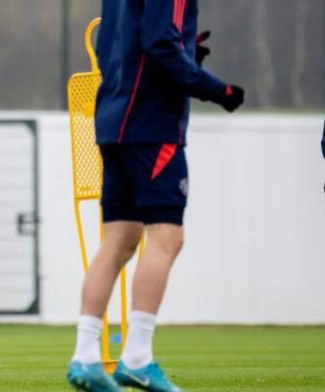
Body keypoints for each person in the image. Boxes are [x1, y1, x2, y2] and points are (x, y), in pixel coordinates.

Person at [67, 1, 244, 391]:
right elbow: (160, 43)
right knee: (167, 237)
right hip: (151, 125)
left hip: (113, 119)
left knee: (118, 241)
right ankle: (137, 358)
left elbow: (132, 39)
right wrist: (217, 89)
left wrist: (185, 50)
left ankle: (84, 357)